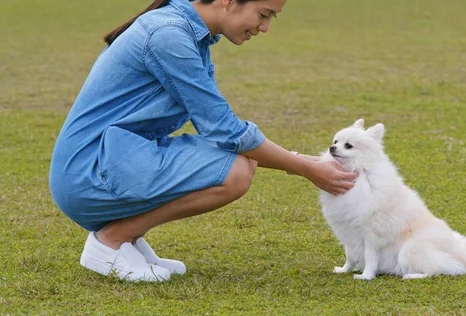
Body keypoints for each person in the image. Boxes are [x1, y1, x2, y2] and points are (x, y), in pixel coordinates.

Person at [49, 0, 357, 282]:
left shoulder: (187, 33)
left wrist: (305, 162)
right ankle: (113, 240)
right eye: (264, 15)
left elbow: (223, 133)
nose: (265, 28)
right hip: (88, 175)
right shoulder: (168, 35)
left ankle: (128, 240)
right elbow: (227, 132)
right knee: (235, 171)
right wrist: (305, 168)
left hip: (109, 161)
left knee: (242, 159)